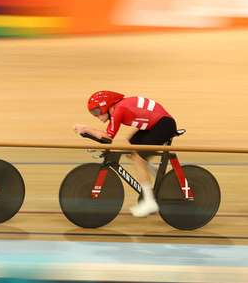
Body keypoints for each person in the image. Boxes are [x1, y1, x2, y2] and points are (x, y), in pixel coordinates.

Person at [73, 90, 178, 218]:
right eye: (93, 113)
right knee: (129, 149)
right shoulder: (120, 107)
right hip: (155, 125)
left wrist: (86, 129)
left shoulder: (119, 110)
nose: (97, 116)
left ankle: (150, 202)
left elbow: (107, 137)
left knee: (138, 159)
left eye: (97, 112)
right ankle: (157, 174)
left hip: (163, 125)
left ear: (106, 106)